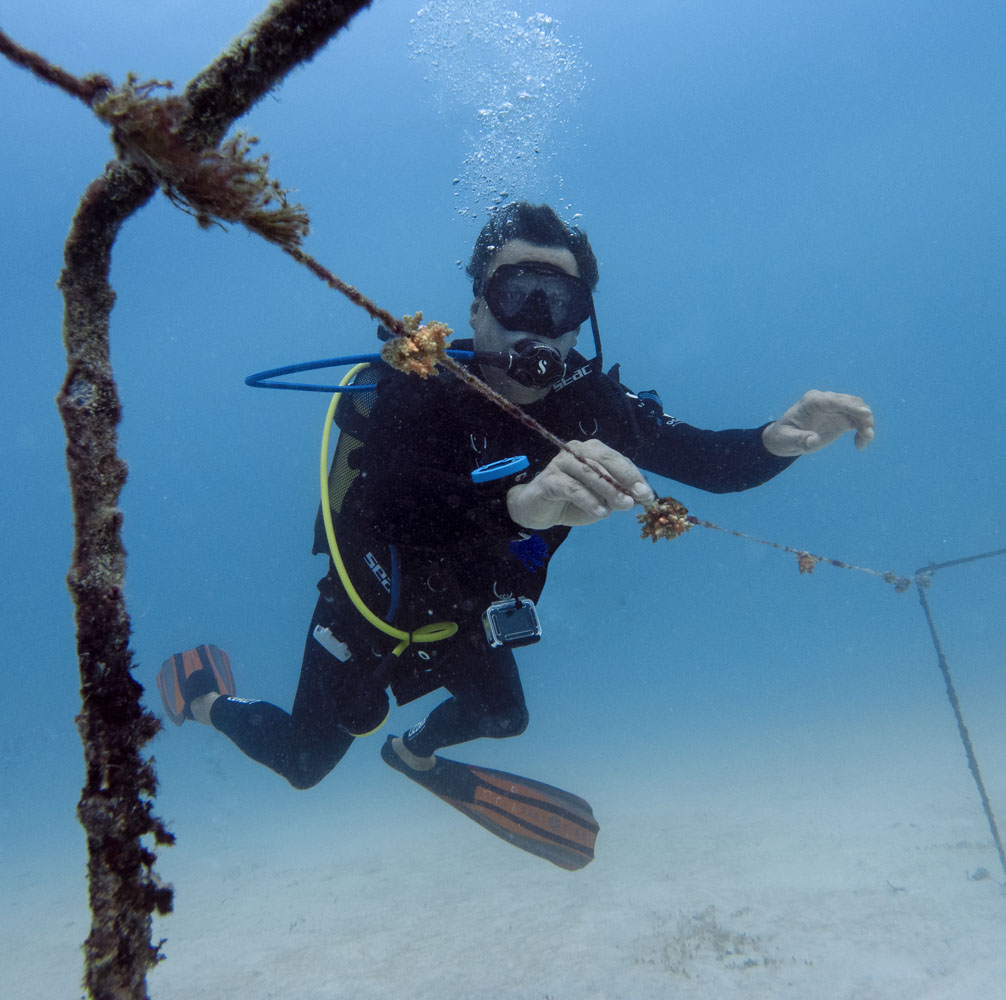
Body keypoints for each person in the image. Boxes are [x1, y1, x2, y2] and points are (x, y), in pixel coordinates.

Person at [158, 202, 874, 862]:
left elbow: (709, 463)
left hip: (470, 618)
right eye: (514, 294)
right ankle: (204, 700)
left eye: (557, 301)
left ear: (579, 322)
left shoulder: (593, 408)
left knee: (505, 716)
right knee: (304, 763)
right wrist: (518, 508)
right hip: (371, 615)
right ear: (477, 308)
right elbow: (388, 506)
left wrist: (776, 441)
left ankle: (411, 754)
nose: (535, 318)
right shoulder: (417, 387)